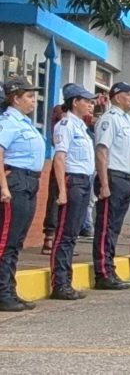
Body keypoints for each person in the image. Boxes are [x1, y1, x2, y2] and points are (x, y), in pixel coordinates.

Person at [0, 76, 45, 312]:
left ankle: (10, 290)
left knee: (17, 241)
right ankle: (3, 293)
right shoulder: (8, 122)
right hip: (15, 182)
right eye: (28, 96)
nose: (33, 100)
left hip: (29, 181)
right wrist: (3, 187)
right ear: (15, 99)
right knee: (7, 241)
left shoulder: (25, 123)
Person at [49, 84, 97, 301]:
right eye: (86, 101)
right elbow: (59, 159)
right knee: (65, 234)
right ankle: (59, 283)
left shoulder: (81, 126)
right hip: (72, 181)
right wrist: (62, 191)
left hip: (84, 181)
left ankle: (65, 281)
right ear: (75, 102)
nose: (90, 105)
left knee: (73, 234)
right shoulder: (66, 125)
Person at [92, 81, 130, 290]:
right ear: (117, 97)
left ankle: (109, 269)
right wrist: (104, 184)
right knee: (106, 227)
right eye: (129, 94)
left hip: (125, 179)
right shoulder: (110, 119)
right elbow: (102, 152)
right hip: (113, 177)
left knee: (115, 228)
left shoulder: (125, 120)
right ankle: (103, 273)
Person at [40, 105, 67, 255]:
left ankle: (61, 239)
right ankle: (50, 237)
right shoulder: (61, 115)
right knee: (55, 200)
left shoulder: (79, 122)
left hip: (76, 167)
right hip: (61, 164)